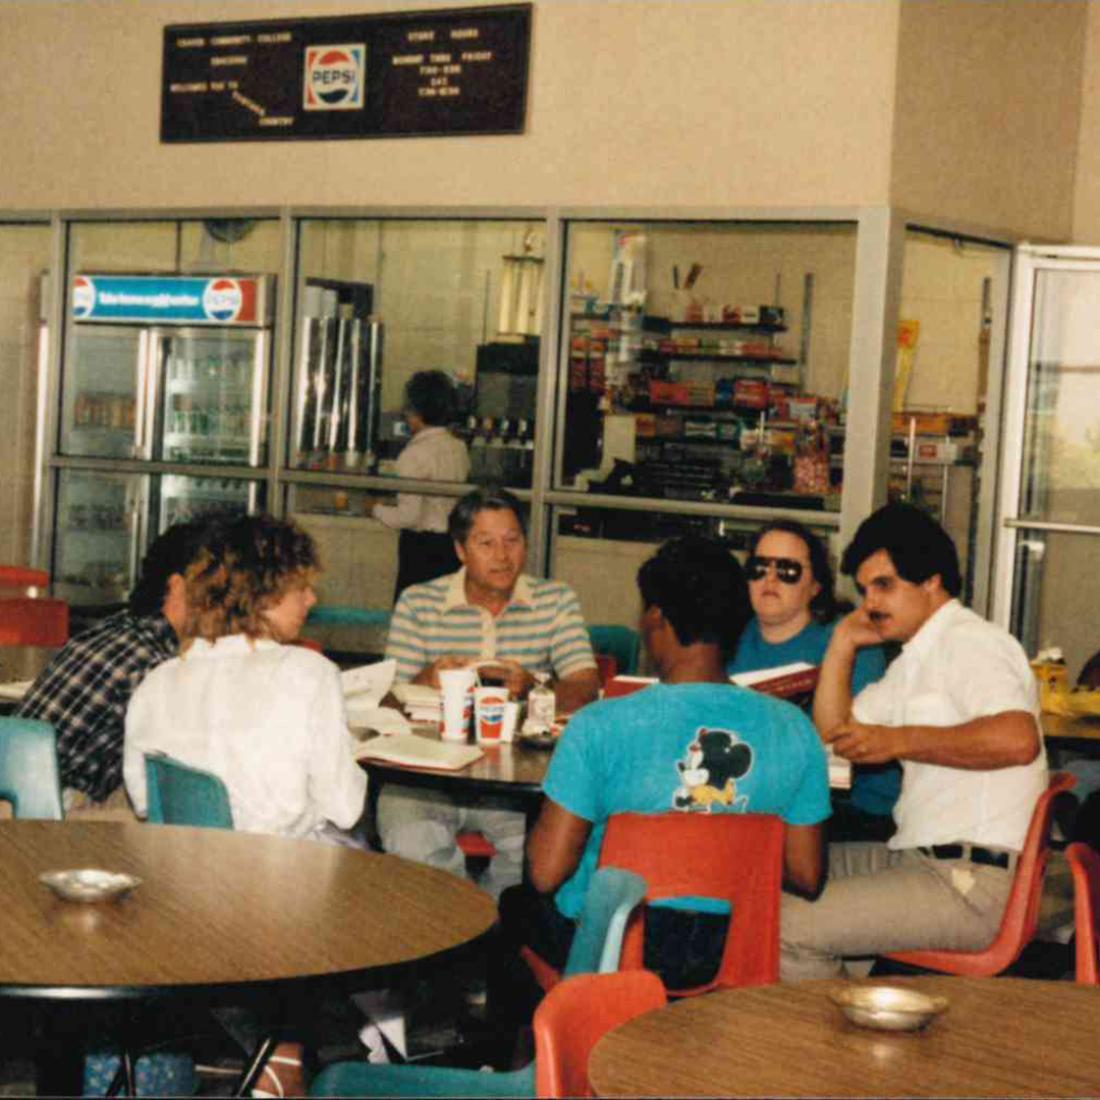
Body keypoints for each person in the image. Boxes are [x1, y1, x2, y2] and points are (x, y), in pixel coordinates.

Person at [501, 535, 829, 996]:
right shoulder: (795, 729)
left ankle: (547, 1060)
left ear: (656, 619)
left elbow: (546, 872)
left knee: (513, 905)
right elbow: (806, 875)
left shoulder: (600, 725)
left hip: (612, 949)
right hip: (731, 948)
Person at [781, 502, 1047, 981]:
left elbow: (1017, 738)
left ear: (932, 581)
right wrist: (842, 643)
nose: (871, 604)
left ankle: (830, 1051)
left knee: (788, 926)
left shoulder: (970, 643)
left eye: (885, 585)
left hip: (970, 882)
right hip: (921, 858)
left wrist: (897, 741)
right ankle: (858, 1019)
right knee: (780, 879)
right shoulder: (915, 658)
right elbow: (835, 735)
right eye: (863, 591)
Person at [380, 487, 600, 897]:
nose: (502, 555)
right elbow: (385, 704)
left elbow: (586, 689)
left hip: (519, 785)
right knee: (407, 836)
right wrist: (425, 677)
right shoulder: (420, 602)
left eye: (512, 541)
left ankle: (490, 933)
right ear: (461, 550)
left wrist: (534, 686)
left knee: (539, 853)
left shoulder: (555, 601)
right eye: (486, 543)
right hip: (428, 778)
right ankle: (452, 932)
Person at [124, 514, 366, 842]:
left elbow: (143, 800)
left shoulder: (158, 680)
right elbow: (344, 807)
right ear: (265, 594)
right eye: (302, 588)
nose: (312, 599)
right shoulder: (310, 673)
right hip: (280, 876)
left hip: (180, 872)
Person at [15, 521, 204, 818]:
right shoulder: (153, 664)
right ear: (178, 586)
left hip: (17, 791)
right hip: (47, 811)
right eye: (220, 589)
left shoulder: (121, 628)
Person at [728, 519, 897, 840]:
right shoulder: (727, 639)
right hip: (755, 794)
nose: (770, 578)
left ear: (816, 585)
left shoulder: (851, 641)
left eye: (788, 570)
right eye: (759, 567)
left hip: (851, 807)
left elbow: (849, 742)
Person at [363, 370, 470, 600]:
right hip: (452, 547)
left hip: (423, 551)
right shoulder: (458, 448)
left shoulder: (414, 455)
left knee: (414, 620)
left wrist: (374, 508)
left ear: (415, 412)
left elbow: (408, 517)